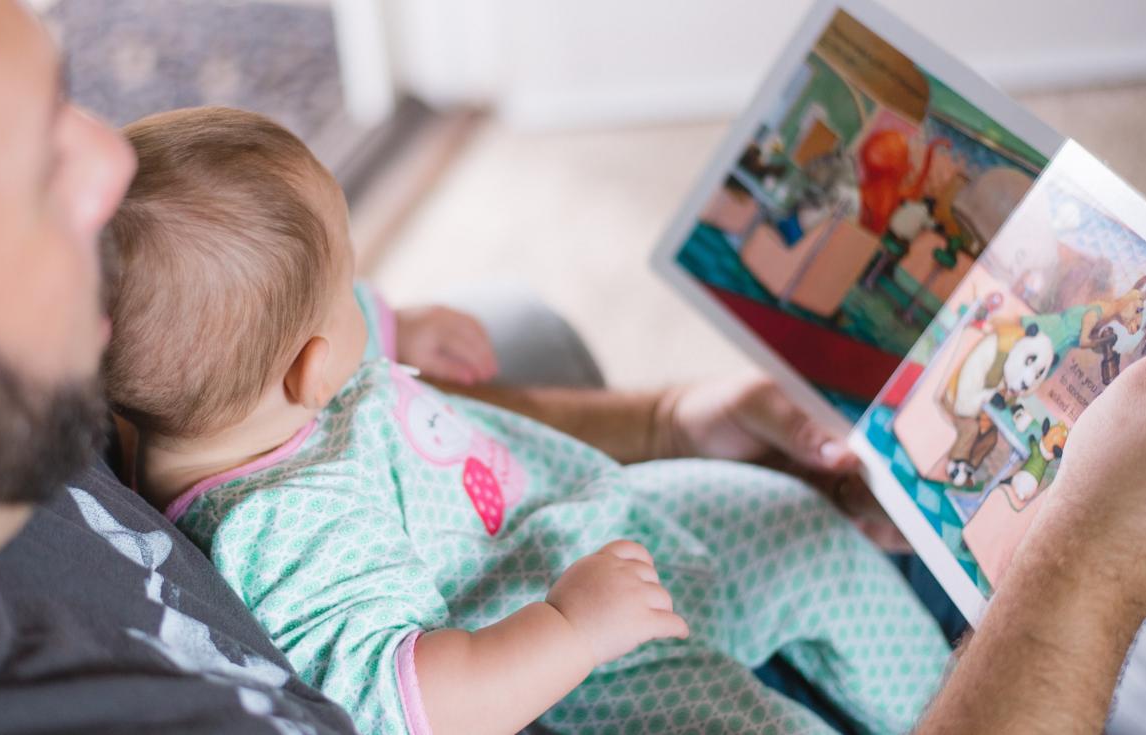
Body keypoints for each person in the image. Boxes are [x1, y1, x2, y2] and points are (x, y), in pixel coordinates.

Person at [0, 1, 1146, 733]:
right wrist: (1091, 564)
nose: (109, 156)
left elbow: (334, 404)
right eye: (36, 172)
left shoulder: (54, 388)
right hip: (563, 651)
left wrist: (652, 412)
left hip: (551, 529)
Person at [102, 106, 950, 735]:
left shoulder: (238, 389)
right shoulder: (286, 528)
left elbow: (306, 319)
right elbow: (409, 703)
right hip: (586, 659)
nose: (363, 294)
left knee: (798, 523)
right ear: (312, 367)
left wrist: (396, 323)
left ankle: (945, 701)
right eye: (350, 283)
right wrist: (572, 627)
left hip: (594, 511)